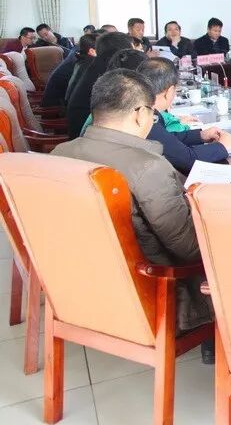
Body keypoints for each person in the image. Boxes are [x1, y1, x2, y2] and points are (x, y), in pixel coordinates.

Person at [53, 70, 214, 338]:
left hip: (84, 288)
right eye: (153, 114)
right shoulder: (147, 167)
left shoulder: (59, 154)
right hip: (153, 293)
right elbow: (190, 248)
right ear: (140, 113)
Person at [137, 58, 231, 174]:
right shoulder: (147, 119)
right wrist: (222, 146)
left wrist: (200, 136)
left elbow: (166, 140)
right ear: (170, 91)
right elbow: (188, 160)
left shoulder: (146, 110)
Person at [66, 31, 136, 138]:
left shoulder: (97, 64)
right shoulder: (107, 71)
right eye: (132, 50)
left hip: (84, 129)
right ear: (121, 52)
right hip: (87, 135)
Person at [42, 32, 96, 109]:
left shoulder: (77, 53)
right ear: (92, 51)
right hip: (59, 107)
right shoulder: (84, 63)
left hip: (63, 102)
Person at [65, 32, 100, 107]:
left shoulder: (81, 60)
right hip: (78, 109)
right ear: (92, 51)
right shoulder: (91, 65)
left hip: (70, 104)